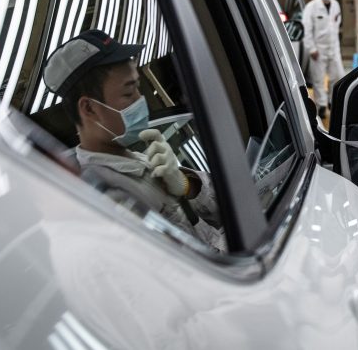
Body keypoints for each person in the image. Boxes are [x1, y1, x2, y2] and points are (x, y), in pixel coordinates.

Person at [43, 29, 224, 250]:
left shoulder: (137, 159)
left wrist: (187, 185)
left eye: (138, 87)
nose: (141, 100)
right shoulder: (106, 196)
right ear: (89, 108)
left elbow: (227, 210)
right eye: (129, 94)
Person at [302, 0, 345, 121]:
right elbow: (306, 30)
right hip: (318, 50)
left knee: (337, 76)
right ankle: (321, 106)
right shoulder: (311, 7)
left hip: (334, 48)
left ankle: (332, 101)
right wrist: (312, 48)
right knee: (318, 80)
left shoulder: (336, 5)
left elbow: (336, 25)